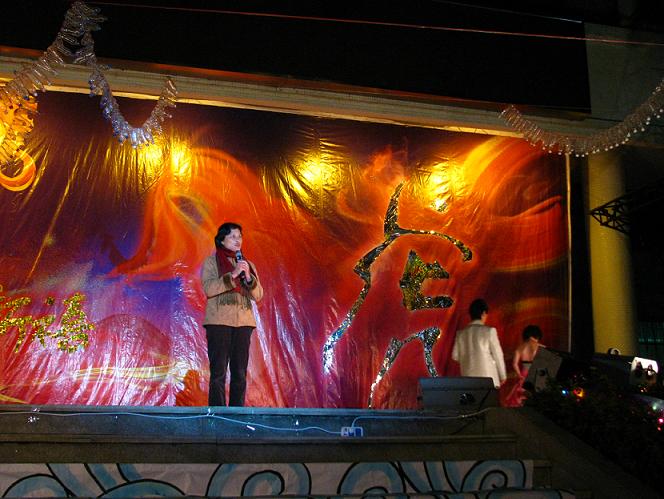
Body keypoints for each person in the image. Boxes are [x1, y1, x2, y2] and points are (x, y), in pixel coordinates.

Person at [201, 222, 263, 406]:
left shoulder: (247, 264)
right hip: (219, 322)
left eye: (240, 236)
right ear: (222, 240)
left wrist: (248, 277)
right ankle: (217, 415)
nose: (238, 240)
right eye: (233, 237)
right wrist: (233, 274)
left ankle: (237, 415)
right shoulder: (211, 262)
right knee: (218, 373)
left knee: (240, 373)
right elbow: (209, 289)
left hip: (243, 323)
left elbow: (258, 295)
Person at [451, 298, 506, 389]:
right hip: (488, 378)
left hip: (468, 379)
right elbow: (498, 354)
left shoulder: (460, 334)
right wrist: (502, 375)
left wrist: (468, 359)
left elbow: (455, 356)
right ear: (483, 313)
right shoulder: (489, 331)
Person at [503, 325, 543, 407]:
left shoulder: (521, 347)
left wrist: (519, 374)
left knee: (519, 400)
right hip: (537, 374)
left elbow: (514, 364)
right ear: (537, 335)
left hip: (524, 375)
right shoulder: (541, 347)